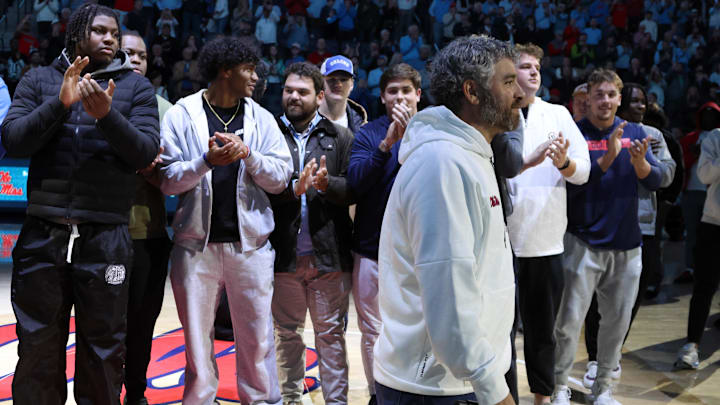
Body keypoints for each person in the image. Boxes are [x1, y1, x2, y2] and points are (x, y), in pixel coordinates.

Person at [1, 4, 160, 404]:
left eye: (115, 32)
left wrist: (106, 116)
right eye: (100, 31)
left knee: (104, 348)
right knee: (38, 344)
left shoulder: (137, 88)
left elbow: (145, 153)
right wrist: (60, 103)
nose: (111, 39)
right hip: (43, 234)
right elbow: (14, 140)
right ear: (76, 35)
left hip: (106, 236)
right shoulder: (38, 79)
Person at [374, 35, 521, 405]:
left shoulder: (471, 152)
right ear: (472, 91)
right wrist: (492, 388)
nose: (520, 93)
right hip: (436, 388)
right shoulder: (442, 164)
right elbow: (450, 294)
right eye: (507, 82)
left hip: (458, 379)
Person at [158, 36, 292, 405]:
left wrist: (248, 154)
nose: (256, 76)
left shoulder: (261, 118)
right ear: (225, 70)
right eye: (249, 68)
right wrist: (205, 162)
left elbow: (280, 178)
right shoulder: (181, 114)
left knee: (257, 339)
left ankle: (262, 401)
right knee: (197, 343)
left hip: (250, 248)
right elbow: (167, 180)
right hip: (193, 247)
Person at [551, 69, 662, 405]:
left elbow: (656, 180)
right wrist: (609, 158)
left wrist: (641, 164)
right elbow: (572, 190)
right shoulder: (575, 134)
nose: (605, 101)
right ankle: (558, 388)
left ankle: (603, 390)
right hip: (583, 242)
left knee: (616, 325)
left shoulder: (636, 132)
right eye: (599, 95)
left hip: (628, 246)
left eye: (611, 95)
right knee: (568, 324)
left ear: (619, 98)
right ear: (588, 99)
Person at [504, 43, 591, 405]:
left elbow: (583, 172)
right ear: (510, 74)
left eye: (537, 66)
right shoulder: (496, 115)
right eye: (525, 66)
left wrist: (563, 163)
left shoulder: (557, 114)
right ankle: (504, 398)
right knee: (499, 335)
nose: (534, 72)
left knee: (543, 333)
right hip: (501, 244)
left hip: (545, 243)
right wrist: (530, 160)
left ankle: (543, 398)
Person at [269, 61, 356, 405]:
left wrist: (327, 184)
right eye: (289, 90)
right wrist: (292, 188)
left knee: (330, 337)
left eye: (302, 92)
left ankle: (337, 403)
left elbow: (354, 189)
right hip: (283, 255)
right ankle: (291, 399)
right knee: (286, 336)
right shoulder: (269, 132)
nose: (293, 96)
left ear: (319, 96)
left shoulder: (341, 136)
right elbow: (257, 189)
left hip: (328, 256)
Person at [581, 82, 676, 391]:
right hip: (608, 224)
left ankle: (612, 352)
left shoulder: (653, 136)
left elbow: (667, 173)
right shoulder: (606, 132)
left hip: (644, 225)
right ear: (621, 104)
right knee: (597, 300)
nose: (639, 106)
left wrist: (644, 163)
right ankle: (596, 358)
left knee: (628, 301)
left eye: (643, 102)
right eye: (633, 101)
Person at [347, 62, 422, 405]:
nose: (400, 97)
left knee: (419, 329)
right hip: (371, 249)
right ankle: (379, 394)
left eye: (406, 90)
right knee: (372, 331)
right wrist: (386, 146)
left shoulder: (431, 131)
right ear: (382, 97)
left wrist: (410, 141)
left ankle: (413, 390)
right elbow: (356, 183)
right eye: (393, 90)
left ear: (418, 94)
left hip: (419, 253)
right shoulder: (368, 133)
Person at [120, 30, 173, 405]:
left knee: (142, 325)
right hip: (103, 233)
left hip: (150, 234)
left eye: (140, 55)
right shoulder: (97, 101)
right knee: (104, 326)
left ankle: (136, 393)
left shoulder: (167, 110)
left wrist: (157, 169)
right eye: (125, 54)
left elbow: (178, 170)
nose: (133, 60)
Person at [674, 116, 720, 370]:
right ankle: (691, 346)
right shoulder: (715, 137)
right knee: (704, 287)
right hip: (714, 222)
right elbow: (704, 174)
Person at [319, 55, 367, 133]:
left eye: (343, 80)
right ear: (321, 82)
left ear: (352, 84)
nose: (338, 84)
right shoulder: (303, 120)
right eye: (332, 79)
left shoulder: (361, 125)